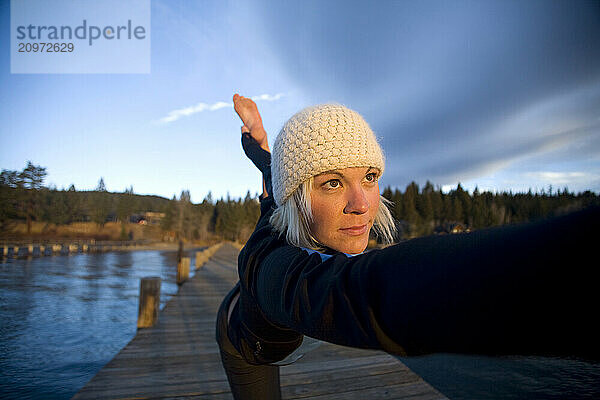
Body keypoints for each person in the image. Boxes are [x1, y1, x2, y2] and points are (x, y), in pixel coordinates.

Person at [216, 94, 598, 400]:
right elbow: (367, 294)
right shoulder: (270, 267)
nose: (362, 204)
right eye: (331, 182)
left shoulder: (280, 196)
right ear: (295, 197)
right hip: (249, 347)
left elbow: (271, 168)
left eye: (368, 177)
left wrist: (256, 137)